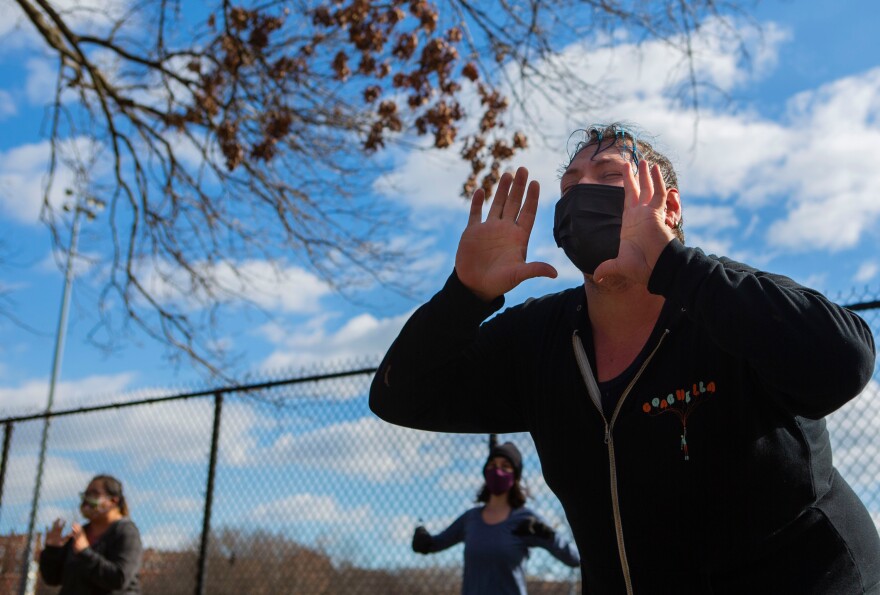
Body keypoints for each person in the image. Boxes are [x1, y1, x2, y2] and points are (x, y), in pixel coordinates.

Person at [370, 122, 880, 594]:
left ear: (669, 206)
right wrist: (464, 296)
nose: (580, 192)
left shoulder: (725, 300)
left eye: (608, 175)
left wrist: (677, 268)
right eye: (570, 186)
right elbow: (400, 396)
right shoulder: (538, 339)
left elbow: (843, 364)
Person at [411, 441, 580, 594]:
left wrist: (550, 535)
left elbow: (574, 559)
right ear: (485, 472)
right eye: (492, 465)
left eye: (505, 466)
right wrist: (422, 539)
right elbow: (435, 543)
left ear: (515, 476)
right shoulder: (470, 518)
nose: (497, 470)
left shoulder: (526, 520)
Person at [39, 474, 143, 594]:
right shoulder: (79, 533)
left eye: (94, 493)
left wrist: (85, 553)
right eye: (86, 493)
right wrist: (53, 549)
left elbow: (119, 579)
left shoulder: (126, 532)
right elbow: (52, 578)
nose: (87, 498)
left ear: (113, 501)